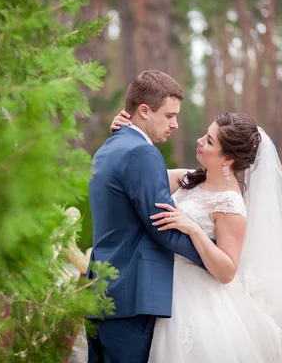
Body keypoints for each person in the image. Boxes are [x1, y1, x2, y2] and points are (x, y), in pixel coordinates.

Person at [110, 109, 282, 362]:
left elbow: (227, 271)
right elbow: (138, 175)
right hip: (163, 284)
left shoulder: (231, 206)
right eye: (206, 134)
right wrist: (125, 134)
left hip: (196, 302)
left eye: (210, 141)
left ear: (227, 159)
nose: (200, 141)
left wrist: (193, 229)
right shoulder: (188, 178)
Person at [85, 70, 210, 363]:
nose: (175, 124)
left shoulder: (109, 147)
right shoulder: (142, 154)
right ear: (144, 110)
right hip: (131, 296)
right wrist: (210, 254)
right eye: (169, 115)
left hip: (101, 290)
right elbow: (163, 227)